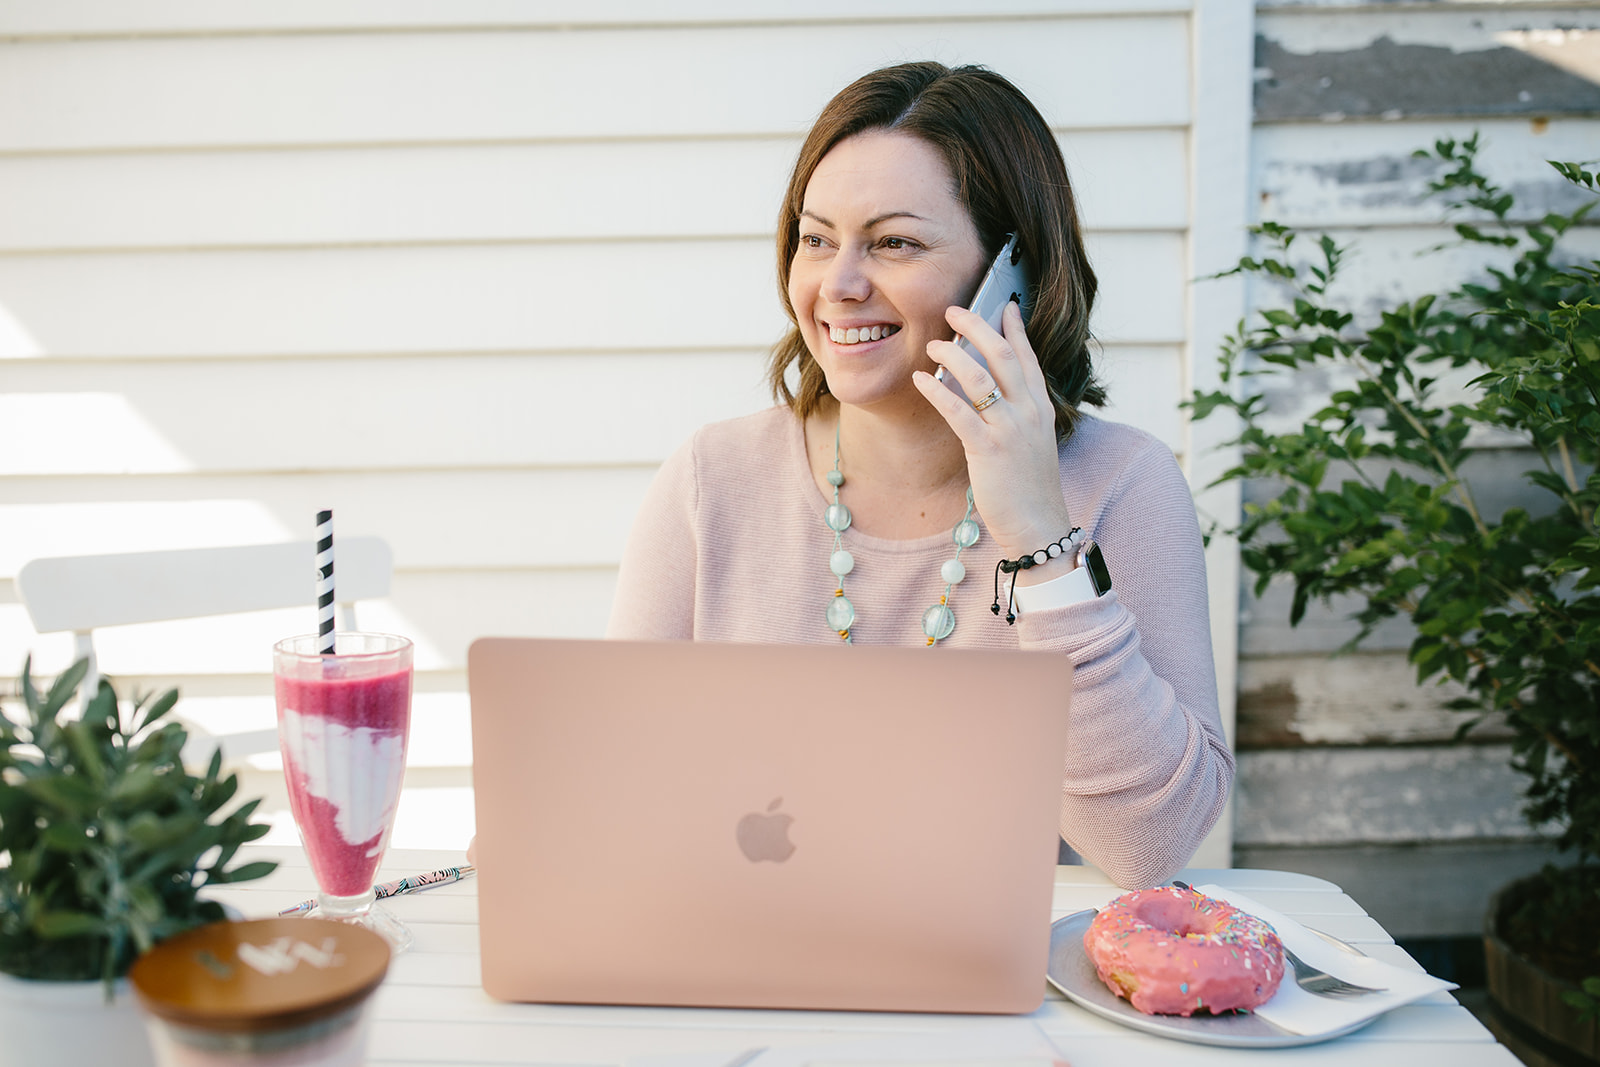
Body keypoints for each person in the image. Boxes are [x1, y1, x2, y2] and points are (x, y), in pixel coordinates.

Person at [607, 61, 1232, 889]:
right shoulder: (710, 480)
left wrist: (1042, 539)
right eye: (817, 237)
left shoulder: (1124, 484)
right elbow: (614, 786)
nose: (839, 284)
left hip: (991, 993)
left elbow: (1146, 849)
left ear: (1010, 270)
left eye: (895, 241)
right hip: (740, 958)